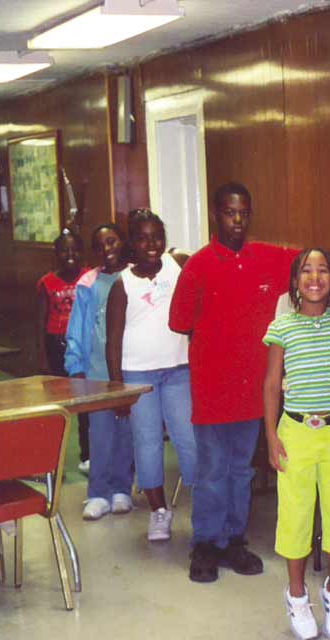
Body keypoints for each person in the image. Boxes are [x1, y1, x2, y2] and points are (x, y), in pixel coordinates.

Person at [169, 182, 299, 582]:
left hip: (252, 391)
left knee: (241, 468)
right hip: (211, 390)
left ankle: (233, 541)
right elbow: (178, 321)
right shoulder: (200, 265)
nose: (237, 220)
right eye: (229, 212)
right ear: (215, 215)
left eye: (243, 212)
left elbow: (314, 263)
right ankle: (206, 544)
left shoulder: (267, 258)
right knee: (211, 469)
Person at [263, 248, 330, 640]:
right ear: (294, 281)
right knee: (296, 516)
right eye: (306, 270)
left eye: (323, 271)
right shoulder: (282, 326)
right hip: (296, 433)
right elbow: (271, 385)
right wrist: (271, 435)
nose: (314, 277)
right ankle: (298, 595)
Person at [105, 209, 196, 542]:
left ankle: (204, 509)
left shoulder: (179, 265)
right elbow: (113, 341)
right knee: (147, 443)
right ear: (132, 242)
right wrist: (118, 389)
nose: (152, 244)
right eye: (142, 237)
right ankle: (158, 511)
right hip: (138, 374)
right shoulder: (122, 284)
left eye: (157, 236)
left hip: (178, 370)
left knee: (188, 439)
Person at [65, 223, 135, 521]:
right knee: (101, 433)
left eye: (113, 241)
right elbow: (77, 329)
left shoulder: (134, 277)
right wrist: (75, 366)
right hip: (96, 371)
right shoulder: (87, 283)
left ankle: (122, 489)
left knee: (126, 432)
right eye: (101, 245)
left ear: (122, 242)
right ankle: (98, 492)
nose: (108, 249)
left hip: (131, 368)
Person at [38, 230, 89, 469]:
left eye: (74, 249)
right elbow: (40, 321)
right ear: (56, 254)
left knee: (86, 402)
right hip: (56, 344)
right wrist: (43, 358)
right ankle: (52, 461)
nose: (70, 255)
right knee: (58, 406)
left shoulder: (90, 277)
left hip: (82, 346)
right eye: (64, 250)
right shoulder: (47, 282)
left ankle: (87, 454)